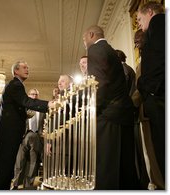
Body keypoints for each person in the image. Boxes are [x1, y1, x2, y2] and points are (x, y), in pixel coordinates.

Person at [83, 25, 138, 189]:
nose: (84, 43)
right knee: (125, 168)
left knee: (106, 168)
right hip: (123, 114)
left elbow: (100, 85)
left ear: (91, 35)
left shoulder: (95, 49)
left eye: (84, 39)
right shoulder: (111, 50)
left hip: (108, 116)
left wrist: (94, 110)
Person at [0, 60, 54, 190]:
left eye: (28, 67)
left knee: (7, 166)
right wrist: (48, 104)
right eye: (24, 67)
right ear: (16, 71)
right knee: (5, 166)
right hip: (9, 133)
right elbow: (25, 101)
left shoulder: (16, 85)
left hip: (9, 132)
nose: (27, 69)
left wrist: (24, 115)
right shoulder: (16, 84)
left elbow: (15, 108)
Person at [136, 1, 165, 189]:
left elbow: (159, 61)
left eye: (139, 19)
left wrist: (149, 87)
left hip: (160, 98)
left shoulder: (160, 23)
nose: (138, 23)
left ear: (149, 12)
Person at [12, 88, 46, 189]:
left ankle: (28, 185)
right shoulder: (23, 108)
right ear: (28, 95)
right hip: (24, 136)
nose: (34, 96)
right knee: (20, 161)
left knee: (33, 162)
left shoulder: (42, 109)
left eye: (36, 94)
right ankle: (16, 184)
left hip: (37, 137)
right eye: (32, 94)